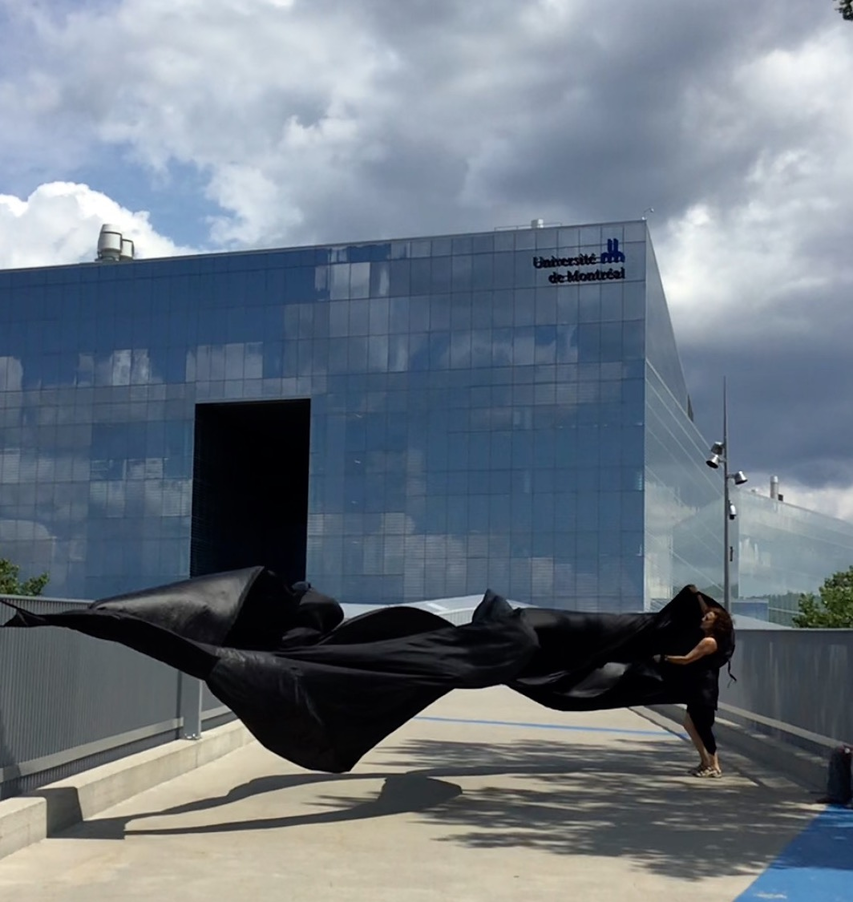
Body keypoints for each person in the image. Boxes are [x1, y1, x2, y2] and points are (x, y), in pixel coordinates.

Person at [664, 600, 735, 778]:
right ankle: (705, 762)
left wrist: (664, 658)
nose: (703, 619)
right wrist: (696, 596)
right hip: (699, 686)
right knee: (689, 724)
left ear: (715, 624)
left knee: (703, 727)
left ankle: (714, 766)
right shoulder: (716, 639)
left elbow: (686, 659)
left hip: (704, 689)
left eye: (707, 618)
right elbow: (708, 611)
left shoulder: (708, 642)